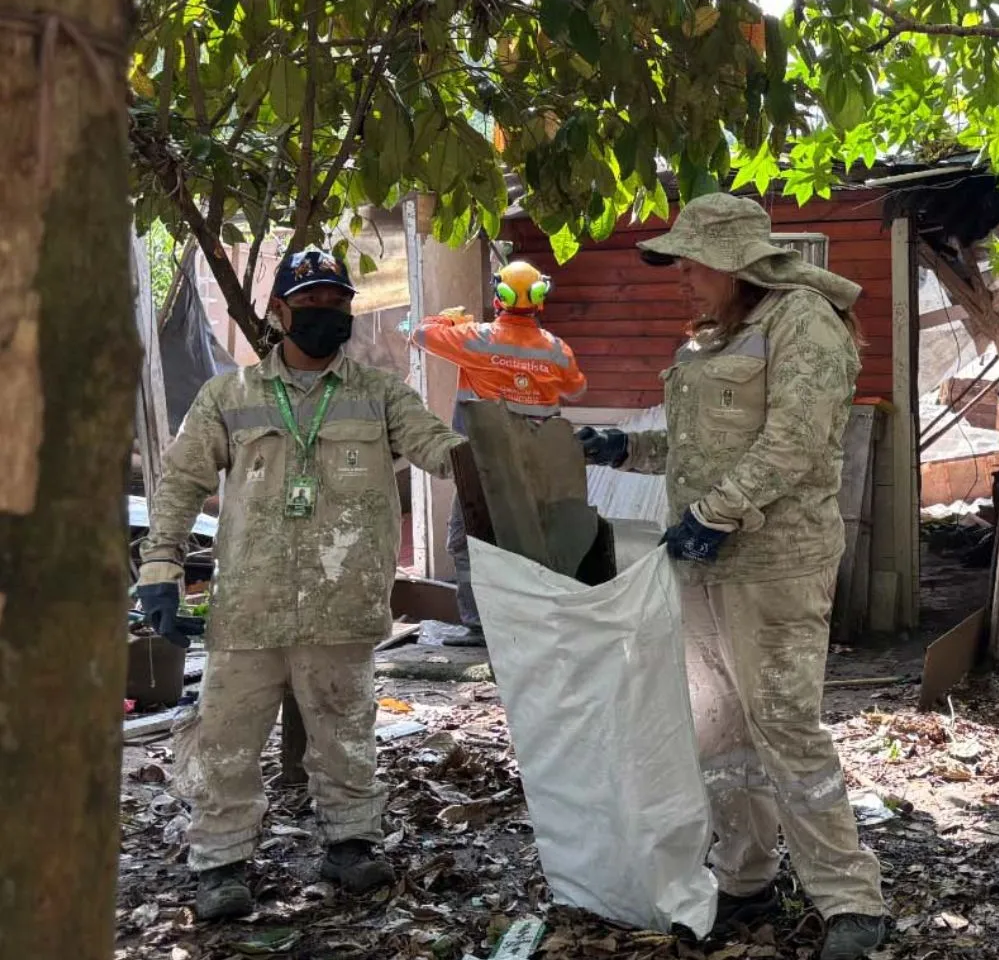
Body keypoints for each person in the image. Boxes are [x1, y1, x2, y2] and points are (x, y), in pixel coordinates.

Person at [573, 194, 889, 960]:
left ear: (733, 261)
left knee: (782, 722)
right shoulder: (721, 336)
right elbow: (703, 445)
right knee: (719, 727)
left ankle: (850, 897)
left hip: (773, 562)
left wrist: (716, 514)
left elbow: (797, 442)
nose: (680, 274)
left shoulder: (801, 322)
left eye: (690, 260)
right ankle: (745, 877)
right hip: (704, 557)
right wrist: (625, 447)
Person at [136, 248, 467, 921]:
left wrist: (495, 431)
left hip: (342, 608)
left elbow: (441, 449)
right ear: (280, 313)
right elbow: (181, 484)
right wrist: (161, 571)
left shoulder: (379, 396)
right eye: (311, 304)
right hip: (249, 611)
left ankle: (350, 844)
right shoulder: (229, 397)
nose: (326, 315)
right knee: (225, 740)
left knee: (346, 734)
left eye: (337, 303)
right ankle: (221, 862)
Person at [410, 259, 588, 648]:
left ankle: (480, 627)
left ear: (498, 298)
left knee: (467, 541)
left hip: (483, 468)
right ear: (540, 299)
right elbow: (576, 389)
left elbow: (421, 334)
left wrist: (449, 320)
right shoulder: (557, 350)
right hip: (539, 469)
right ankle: (534, 624)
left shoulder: (476, 338)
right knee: (529, 543)